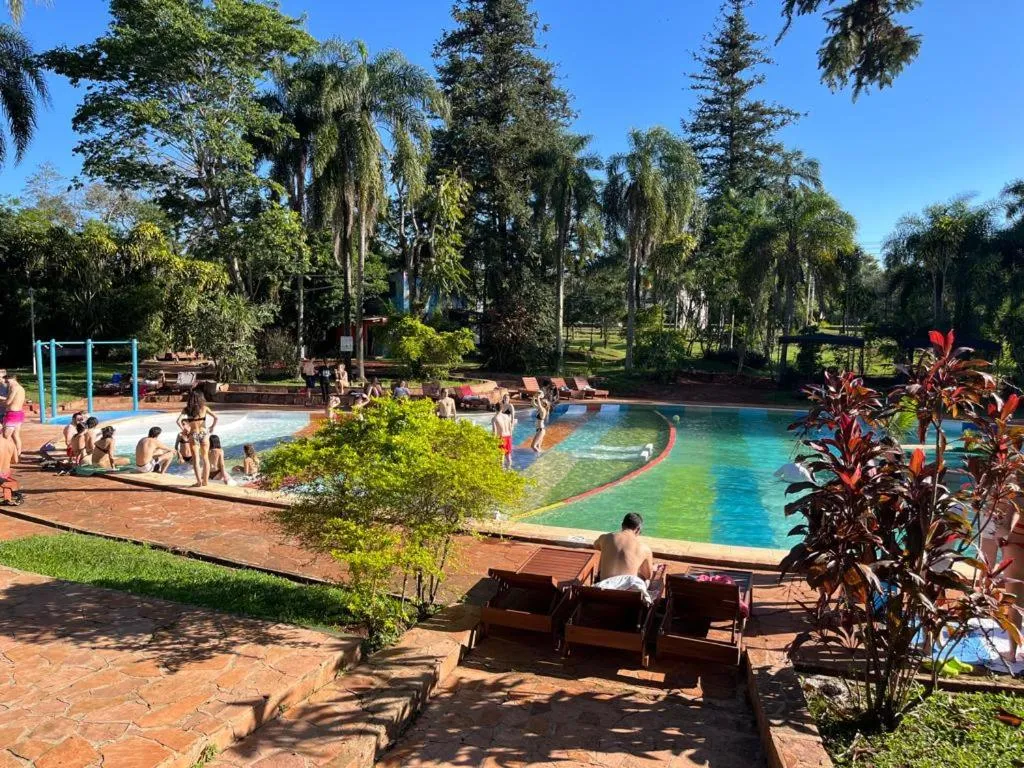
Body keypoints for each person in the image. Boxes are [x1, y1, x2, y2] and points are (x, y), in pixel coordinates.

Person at [593, 513, 655, 582]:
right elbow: (648, 576)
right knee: (646, 580)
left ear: (622, 525)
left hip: (603, 587)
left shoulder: (605, 538)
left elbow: (595, 545)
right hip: (628, 589)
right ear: (638, 529)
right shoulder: (645, 548)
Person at [177, 388, 219, 487]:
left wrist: (184, 430)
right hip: (204, 434)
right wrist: (212, 427)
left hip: (193, 434)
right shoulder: (204, 408)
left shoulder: (187, 409)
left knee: (196, 459)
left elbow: (178, 421)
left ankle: (199, 482)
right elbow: (216, 417)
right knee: (205, 458)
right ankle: (206, 481)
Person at [1, 373, 26, 463]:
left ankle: (8, 457)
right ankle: (17, 455)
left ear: (11, 379)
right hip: (19, 414)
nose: (6, 382)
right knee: (15, 436)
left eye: (7, 380)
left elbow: (8, 402)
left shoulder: (13, 387)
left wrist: (1, 402)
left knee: (5, 437)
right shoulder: (20, 388)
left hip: (12, 415)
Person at [491, 403, 514, 470]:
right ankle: (509, 470)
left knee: (501, 457)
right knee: (508, 456)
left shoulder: (494, 418)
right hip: (508, 437)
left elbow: (494, 432)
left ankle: (502, 472)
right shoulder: (507, 416)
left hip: (501, 438)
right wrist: (510, 438)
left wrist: (492, 441)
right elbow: (510, 428)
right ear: (502, 408)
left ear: (495, 408)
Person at [0, 432, 18, 504]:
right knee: (5, 481)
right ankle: (7, 499)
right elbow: (15, 460)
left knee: (5, 483)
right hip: (5, 471)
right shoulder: (11, 443)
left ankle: (15, 492)